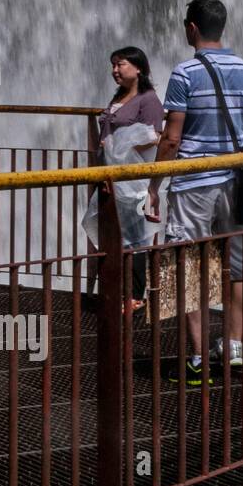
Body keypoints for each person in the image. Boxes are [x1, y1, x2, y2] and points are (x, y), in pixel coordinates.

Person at [145, 0, 243, 385]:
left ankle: (200, 361)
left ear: (191, 29)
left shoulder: (185, 73)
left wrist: (154, 186)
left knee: (188, 266)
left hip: (194, 184)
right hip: (239, 181)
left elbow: (171, 139)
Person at [84, 47, 165, 310]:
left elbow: (154, 137)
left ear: (139, 67)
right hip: (110, 176)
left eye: (120, 64)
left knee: (136, 237)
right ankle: (117, 290)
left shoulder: (148, 100)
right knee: (115, 233)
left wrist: (120, 148)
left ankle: (136, 295)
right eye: (113, 65)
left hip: (134, 180)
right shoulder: (119, 96)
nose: (114, 70)